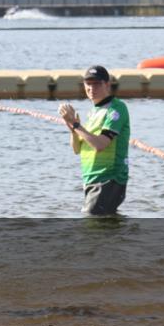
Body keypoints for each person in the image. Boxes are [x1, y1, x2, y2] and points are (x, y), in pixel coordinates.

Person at [58, 66, 130, 216]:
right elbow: (77, 149)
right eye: (88, 84)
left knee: (92, 227)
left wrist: (77, 125)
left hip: (108, 179)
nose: (91, 88)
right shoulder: (93, 112)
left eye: (97, 84)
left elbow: (100, 145)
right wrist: (72, 127)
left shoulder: (116, 109)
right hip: (91, 179)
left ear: (107, 85)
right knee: (102, 231)